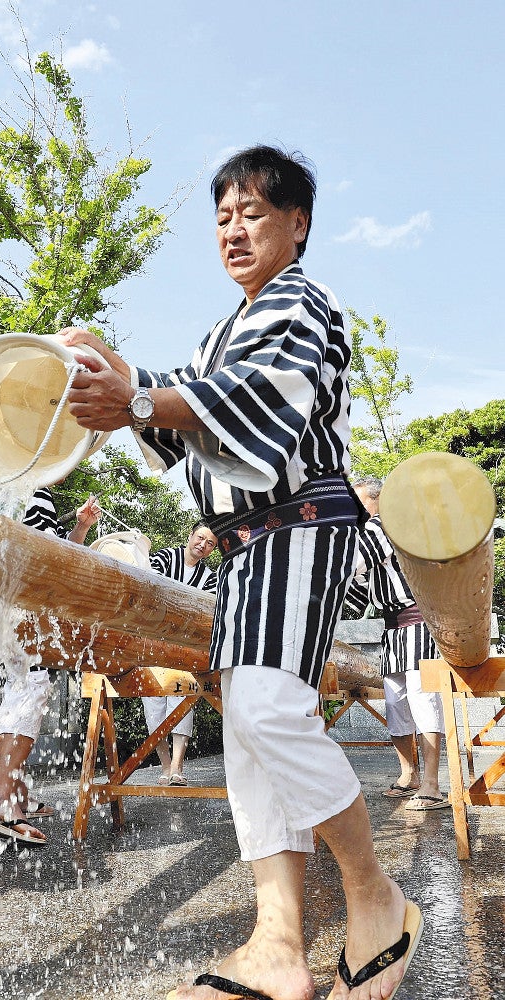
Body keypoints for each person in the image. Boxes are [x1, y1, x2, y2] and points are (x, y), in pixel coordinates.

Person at [59, 146, 420, 1000]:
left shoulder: (302, 300)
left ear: (298, 225)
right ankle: (277, 943)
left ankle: (376, 897)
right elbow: (181, 412)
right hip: (246, 543)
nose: (233, 230)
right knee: (256, 738)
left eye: (252, 213)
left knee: (264, 708)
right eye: (221, 217)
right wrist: (116, 374)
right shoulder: (221, 331)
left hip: (300, 526)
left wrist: (141, 399)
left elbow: (255, 400)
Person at [0, 487, 101, 845]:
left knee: (21, 687)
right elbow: (47, 563)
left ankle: (15, 793)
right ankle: (0, 797)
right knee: (30, 688)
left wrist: (79, 530)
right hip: (23, 604)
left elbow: (42, 546)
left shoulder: (15, 482)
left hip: (4, 602)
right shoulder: (36, 489)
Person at [347, 475, 449, 810]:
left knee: (424, 703)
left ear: (376, 502)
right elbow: (355, 600)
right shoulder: (370, 536)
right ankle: (410, 776)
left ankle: (432, 785)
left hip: (418, 622)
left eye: (358, 502)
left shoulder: (382, 526)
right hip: (393, 631)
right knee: (396, 706)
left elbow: (351, 565)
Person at [143, 522, 218, 786]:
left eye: (210, 543)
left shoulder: (210, 577)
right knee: (154, 707)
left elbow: (203, 609)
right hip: (152, 643)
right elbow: (152, 586)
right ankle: (164, 766)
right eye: (200, 538)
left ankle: (177, 767)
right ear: (190, 536)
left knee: (181, 701)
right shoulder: (164, 556)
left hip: (183, 647)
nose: (203, 545)